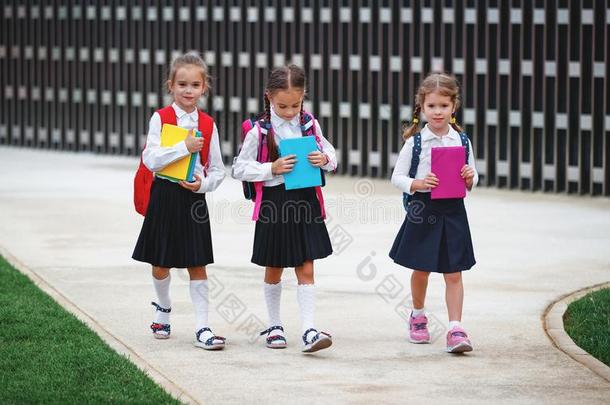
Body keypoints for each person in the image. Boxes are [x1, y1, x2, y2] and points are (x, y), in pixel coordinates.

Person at [232, 64, 337, 353]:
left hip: (305, 201)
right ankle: (275, 325)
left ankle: (308, 329)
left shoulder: (309, 124)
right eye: (282, 105)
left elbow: (332, 155)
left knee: (306, 264)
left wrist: (323, 159)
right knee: (275, 265)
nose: (290, 111)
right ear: (268, 97)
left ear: (303, 97)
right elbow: (239, 168)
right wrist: (271, 168)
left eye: (296, 104)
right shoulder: (259, 131)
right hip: (275, 204)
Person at [132, 51, 226, 350]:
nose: (188, 90)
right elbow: (151, 158)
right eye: (182, 84)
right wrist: (184, 147)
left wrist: (203, 185)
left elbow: (219, 169)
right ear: (170, 85)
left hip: (193, 198)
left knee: (197, 264)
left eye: (195, 85)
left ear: (204, 87)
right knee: (161, 264)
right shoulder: (161, 118)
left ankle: (202, 327)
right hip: (164, 196)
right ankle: (162, 308)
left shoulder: (209, 124)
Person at [389, 72, 478, 353]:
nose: (437, 112)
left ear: (454, 106)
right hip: (424, 209)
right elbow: (397, 177)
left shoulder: (461, 141)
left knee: (454, 273)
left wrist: (469, 176)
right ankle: (417, 315)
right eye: (431, 106)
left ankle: (455, 328)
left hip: (453, 210)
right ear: (422, 107)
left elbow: (474, 178)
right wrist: (418, 183)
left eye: (443, 105)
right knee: (422, 268)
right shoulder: (415, 143)